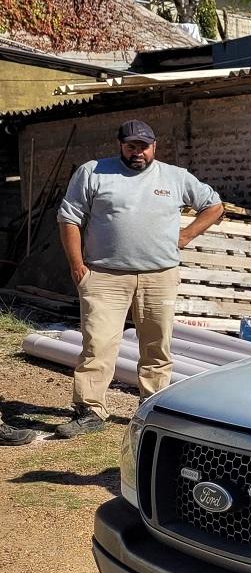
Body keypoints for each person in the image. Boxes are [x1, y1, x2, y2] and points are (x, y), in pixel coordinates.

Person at [55, 120, 224, 438]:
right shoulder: (93, 172)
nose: (138, 152)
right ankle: (90, 410)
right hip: (105, 276)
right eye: (131, 146)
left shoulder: (175, 177)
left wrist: (186, 235)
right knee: (98, 344)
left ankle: (152, 407)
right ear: (120, 145)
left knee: (156, 345)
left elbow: (214, 206)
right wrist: (77, 266)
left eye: (144, 146)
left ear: (154, 146)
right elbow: (69, 217)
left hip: (159, 276)